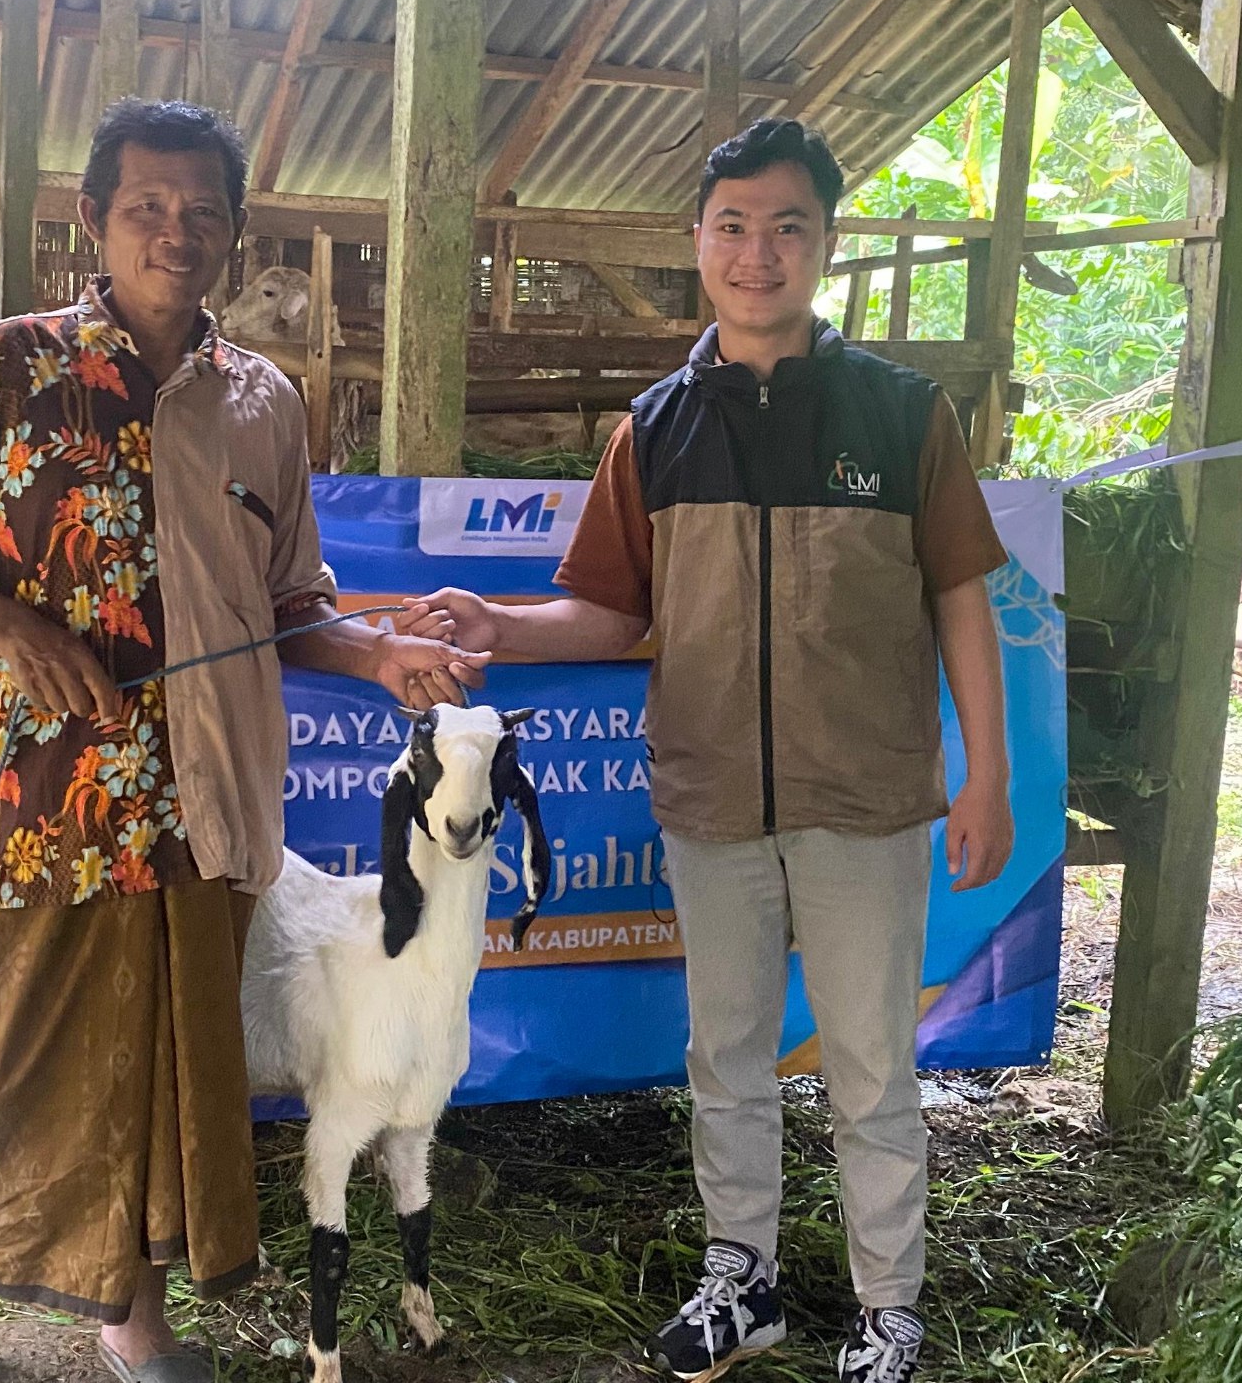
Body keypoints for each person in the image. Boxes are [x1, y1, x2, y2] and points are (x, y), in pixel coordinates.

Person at [0, 98, 484, 1383]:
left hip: (206, 805)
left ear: (234, 232)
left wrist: (382, 658)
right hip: (51, 800)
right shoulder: (3, 369)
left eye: (203, 211)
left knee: (164, 1079)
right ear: (92, 221)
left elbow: (291, 607)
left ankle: (130, 1319)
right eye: (146, 206)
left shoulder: (265, 404)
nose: (176, 232)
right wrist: (19, 635)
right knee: (4, 1058)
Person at [402, 117, 1014, 1383]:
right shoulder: (656, 428)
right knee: (725, 1057)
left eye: (787, 225)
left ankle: (886, 1310)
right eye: (732, 225)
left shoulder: (903, 416)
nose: (757, 251)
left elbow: (960, 593)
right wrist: (496, 622)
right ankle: (744, 1281)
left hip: (869, 801)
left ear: (826, 246)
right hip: (712, 802)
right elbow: (617, 610)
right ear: (697, 244)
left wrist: (986, 776)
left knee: (869, 1065)